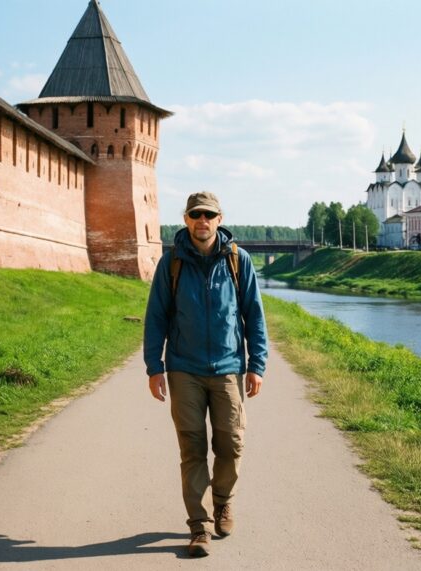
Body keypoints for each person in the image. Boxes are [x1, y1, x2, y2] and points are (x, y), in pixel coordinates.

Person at [143, 191, 269, 558]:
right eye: (196, 214)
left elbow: (254, 316)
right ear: (186, 219)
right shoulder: (171, 264)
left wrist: (256, 364)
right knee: (192, 447)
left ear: (219, 219)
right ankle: (199, 526)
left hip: (229, 367)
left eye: (209, 215)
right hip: (184, 368)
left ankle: (223, 501)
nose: (202, 221)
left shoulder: (238, 261)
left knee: (231, 442)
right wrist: (155, 368)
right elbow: (156, 318)